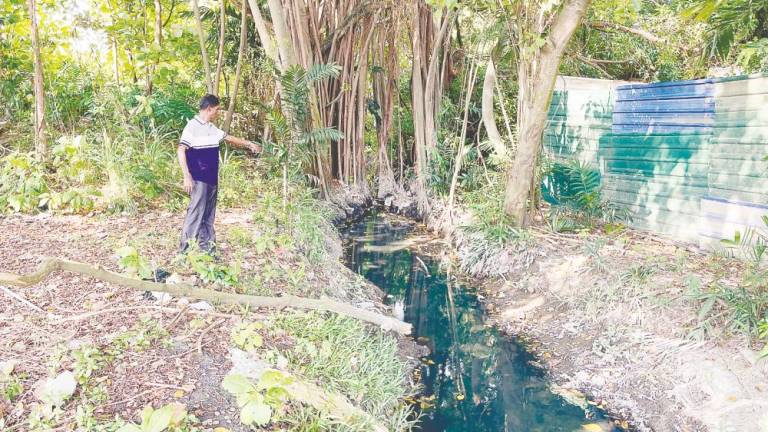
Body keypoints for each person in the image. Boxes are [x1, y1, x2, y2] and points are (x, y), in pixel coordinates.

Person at [178, 94, 260, 253]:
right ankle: (185, 251)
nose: (218, 113)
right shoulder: (192, 127)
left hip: (212, 178)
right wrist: (186, 176)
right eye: (217, 110)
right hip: (198, 178)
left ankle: (208, 248)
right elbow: (181, 150)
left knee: (208, 214)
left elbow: (228, 137)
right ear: (209, 109)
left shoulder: (211, 127)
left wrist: (249, 144)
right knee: (196, 212)